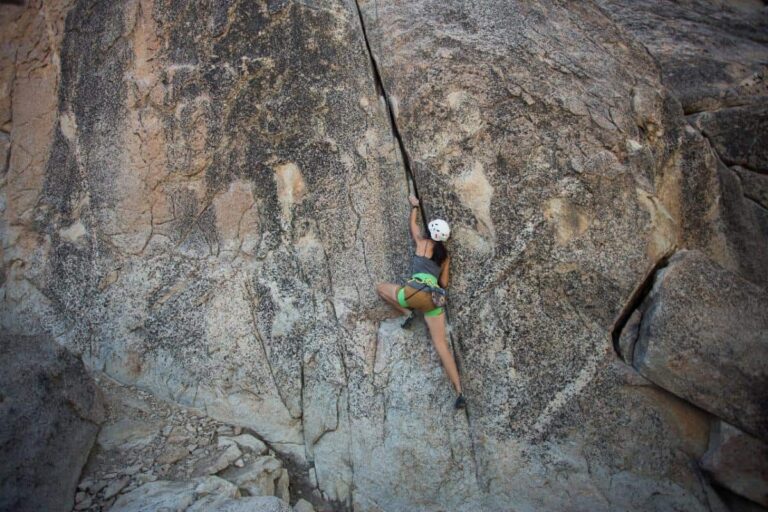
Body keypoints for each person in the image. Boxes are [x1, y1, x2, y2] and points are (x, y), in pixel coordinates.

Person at [376, 194, 466, 409]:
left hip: (412, 293)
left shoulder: (422, 243)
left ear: (431, 231)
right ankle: (459, 391)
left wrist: (414, 207)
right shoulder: (445, 256)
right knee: (441, 345)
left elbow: (413, 227)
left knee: (380, 288)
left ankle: (407, 313)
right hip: (433, 301)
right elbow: (444, 282)